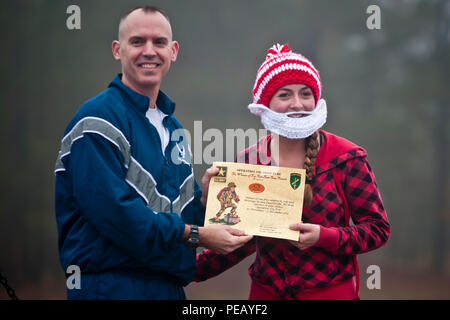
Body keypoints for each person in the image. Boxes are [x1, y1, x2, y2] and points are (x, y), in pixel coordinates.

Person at [54, 5, 252, 300]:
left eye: (159, 42)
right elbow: (117, 216)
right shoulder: (96, 121)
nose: (149, 51)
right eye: (137, 42)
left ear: (173, 51)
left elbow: (175, 214)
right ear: (117, 50)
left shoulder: (174, 129)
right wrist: (196, 235)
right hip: (110, 287)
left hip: (168, 287)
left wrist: (205, 200)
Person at [193, 43, 390, 300]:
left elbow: (377, 230)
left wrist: (324, 236)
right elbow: (240, 242)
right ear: (265, 104)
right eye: (284, 95)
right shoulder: (249, 161)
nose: (297, 104)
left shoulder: (347, 157)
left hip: (330, 294)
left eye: (305, 93)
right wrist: (182, 270)